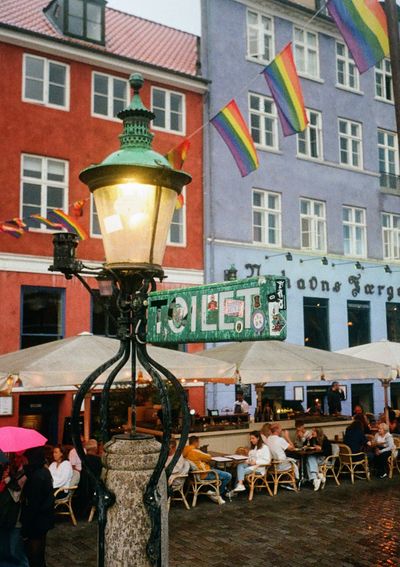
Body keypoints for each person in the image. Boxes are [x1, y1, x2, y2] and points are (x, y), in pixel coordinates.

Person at [21, 446, 54, 567]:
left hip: (37, 520)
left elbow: (34, 503)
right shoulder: (44, 471)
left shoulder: (37, 476)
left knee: (35, 555)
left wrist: (26, 525)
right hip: (43, 518)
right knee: (39, 553)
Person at [182, 436, 231, 504]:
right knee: (228, 476)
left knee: (217, 470)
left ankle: (220, 491)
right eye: (198, 442)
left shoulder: (185, 451)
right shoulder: (195, 451)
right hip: (204, 474)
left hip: (193, 475)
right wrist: (201, 452)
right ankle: (216, 493)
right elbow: (208, 457)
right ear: (196, 442)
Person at [0, 459, 29, 567]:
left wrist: (8, 481)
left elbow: (17, 496)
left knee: (15, 550)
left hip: (14, 517)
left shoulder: (23, 473)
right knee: (4, 549)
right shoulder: (10, 471)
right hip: (4, 517)